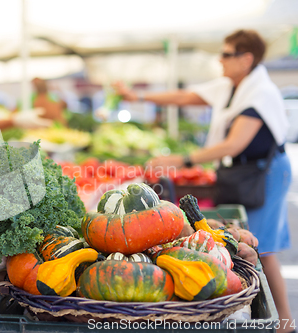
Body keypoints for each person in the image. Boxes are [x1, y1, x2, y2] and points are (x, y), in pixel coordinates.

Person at [114, 30, 293, 333]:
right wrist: (138, 96)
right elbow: (186, 96)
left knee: (261, 250)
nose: (220, 60)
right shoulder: (234, 86)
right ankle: (282, 323)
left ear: (246, 59)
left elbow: (232, 145)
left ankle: (283, 324)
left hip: (264, 173)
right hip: (248, 171)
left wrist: (180, 160)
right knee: (261, 249)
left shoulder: (259, 92)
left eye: (226, 54)